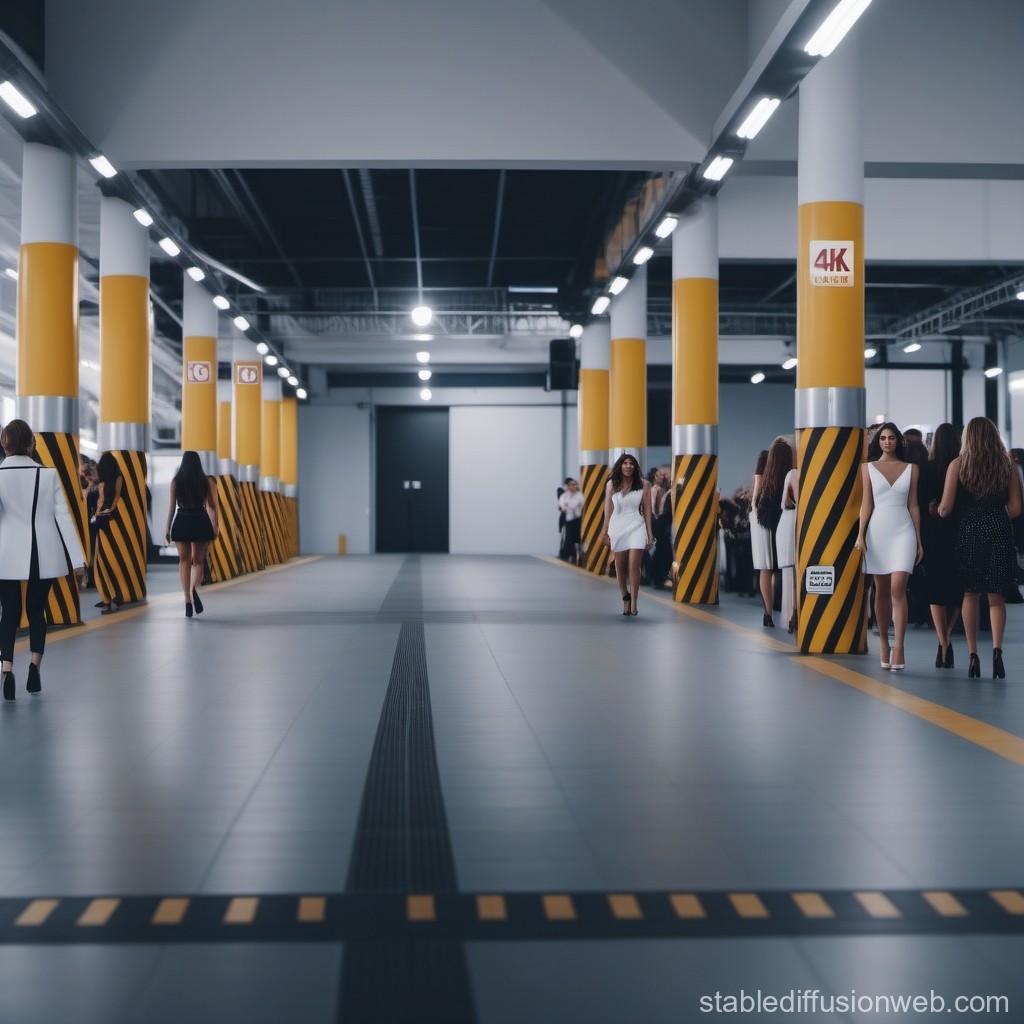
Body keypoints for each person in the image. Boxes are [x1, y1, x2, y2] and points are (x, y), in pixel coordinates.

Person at [0, 419, 87, 700]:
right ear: (30, 443)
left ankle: (7, 671)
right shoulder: (47, 475)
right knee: (37, 612)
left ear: (6, 443)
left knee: (9, 613)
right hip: (43, 551)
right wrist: (78, 561)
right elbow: (63, 518)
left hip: (7, 553)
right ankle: (35, 668)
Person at [938, 417, 1022, 679]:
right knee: (996, 596)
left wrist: (936, 509)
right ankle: (997, 652)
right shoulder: (1007, 465)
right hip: (999, 529)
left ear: (968, 438)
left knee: (971, 594)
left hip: (970, 531)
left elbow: (945, 508)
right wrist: (996, 515)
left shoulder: (958, 465)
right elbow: (1017, 509)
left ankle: (973, 655)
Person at [856, 423, 923, 671]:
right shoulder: (867, 469)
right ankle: (884, 642)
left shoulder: (912, 469)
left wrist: (919, 539)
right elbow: (866, 504)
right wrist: (860, 535)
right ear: (878, 442)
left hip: (903, 530)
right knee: (880, 590)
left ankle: (900, 646)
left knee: (898, 589)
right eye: (883, 438)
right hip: (877, 531)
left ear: (898, 441)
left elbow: (914, 504)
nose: (887, 442)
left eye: (891, 438)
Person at [923, 423, 963, 668]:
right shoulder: (962, 466)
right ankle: (947, 636)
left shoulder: (928, 468)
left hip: (933, 531)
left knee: (935, 588)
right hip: (958, 529)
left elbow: (923, 500)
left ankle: (943, 642)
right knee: (958, 589)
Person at [164, 451, 220, 618]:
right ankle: (193, 589)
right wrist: (215, 525)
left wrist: (167, 528)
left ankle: (187, 600)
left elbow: (172, 507)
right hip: (200, 519)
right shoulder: (204, 481)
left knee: (184, 560)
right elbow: (211, 505)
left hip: (182, 519)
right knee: (198, 561)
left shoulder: (176, 481)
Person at [602, 453, 653, 616]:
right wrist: (605, 530)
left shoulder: (645, 485)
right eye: (625, 463)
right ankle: (625, 596)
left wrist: (649, 534)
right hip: (618, 525)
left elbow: (647, 511)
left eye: (631, 463)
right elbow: (608, 509)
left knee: (633, 564)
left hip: (637, 524)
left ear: (635, 467)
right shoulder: (611, 484)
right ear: (620, 466)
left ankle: (635, 602)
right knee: (620, 565)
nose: (628, 466)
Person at [753, 439, 793, 627]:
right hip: (783, 524)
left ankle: (767, 612)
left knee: (765, 568)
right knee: (783, 568)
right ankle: (786, 608)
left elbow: (755, 501)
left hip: (764, 524)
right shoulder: (790, 476)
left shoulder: (766, 477)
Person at [93, 451, 125, 610]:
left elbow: (100, 501)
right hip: (110, 519)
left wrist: (99, 512)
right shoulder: (118, 479)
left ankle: (107, 597)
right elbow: (116, 497)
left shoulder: (101, 483)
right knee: (111, 559)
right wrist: (109, 510)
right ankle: (115, 595)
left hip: (100, 519)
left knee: (100, 560)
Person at [775, 445, 799, 634]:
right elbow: (798, 501)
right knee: (794, 571)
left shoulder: (789, 473)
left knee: (790, 573)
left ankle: (790, 615)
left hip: (787, 522)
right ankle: (793, 615)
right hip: (793, 522)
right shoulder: (795, 473)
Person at [557, 477, 583, 564]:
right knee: (568, 537)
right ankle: (566, 555)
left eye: (576, 484)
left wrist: (569, 505)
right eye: (572, 485)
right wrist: (569, 506)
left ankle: (577, 555)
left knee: (577, 538)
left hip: (577, 520)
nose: (575, 486)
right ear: (568, 486)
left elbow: (578, 504)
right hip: (568, 520)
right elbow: (562, 506)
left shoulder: (579, 495)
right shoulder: (564, 496)